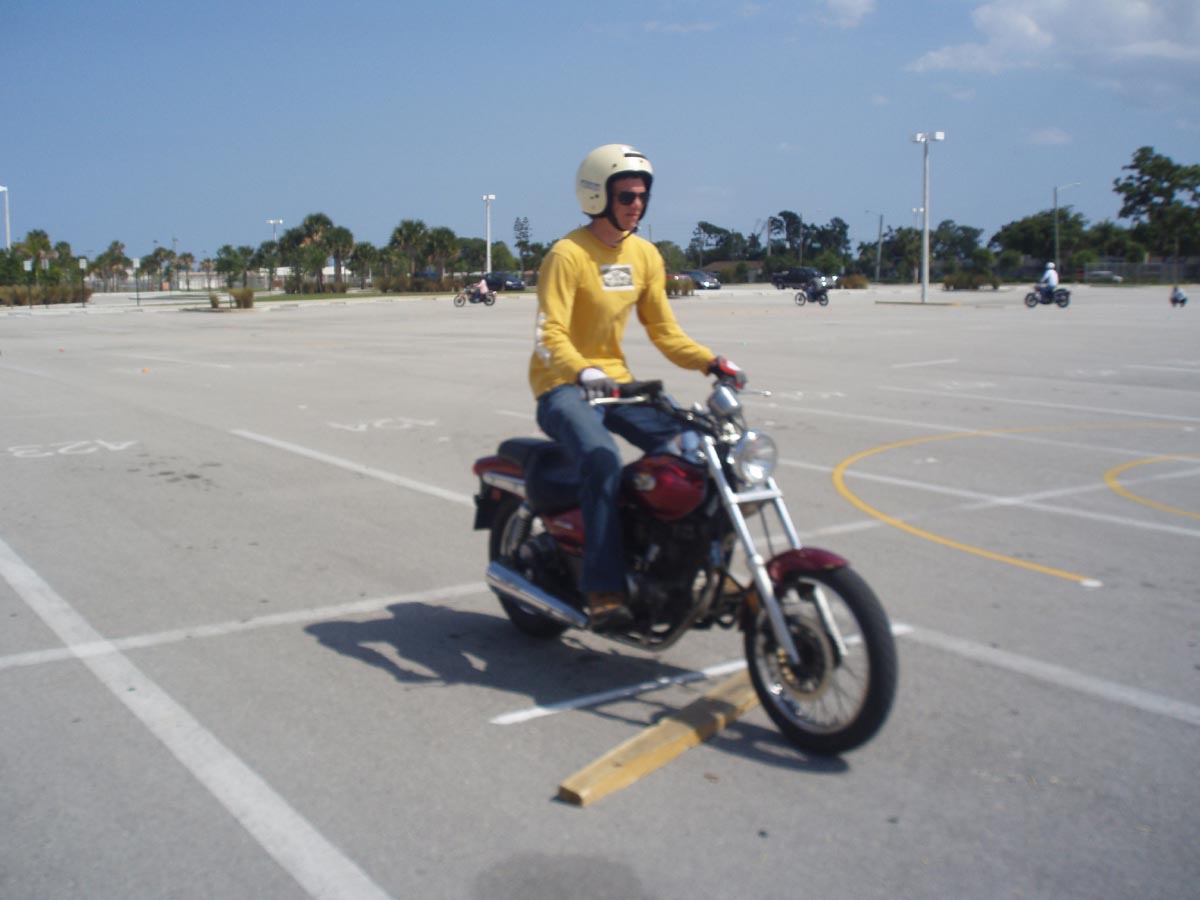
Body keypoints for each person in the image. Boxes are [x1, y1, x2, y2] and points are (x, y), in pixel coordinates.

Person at [528, 143, 745, 631]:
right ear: (597, 196)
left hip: (619, 386)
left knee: (701, 450)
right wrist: (582, 371)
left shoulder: (644, 254)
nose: (637, 205)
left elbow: (665, 332)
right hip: (563, 385)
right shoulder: (567, 255)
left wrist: (711, 362)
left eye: (643, 196)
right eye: (626, 196)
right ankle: (603, 588)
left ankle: (702, 568)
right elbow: (549, 335)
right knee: (601, 457)